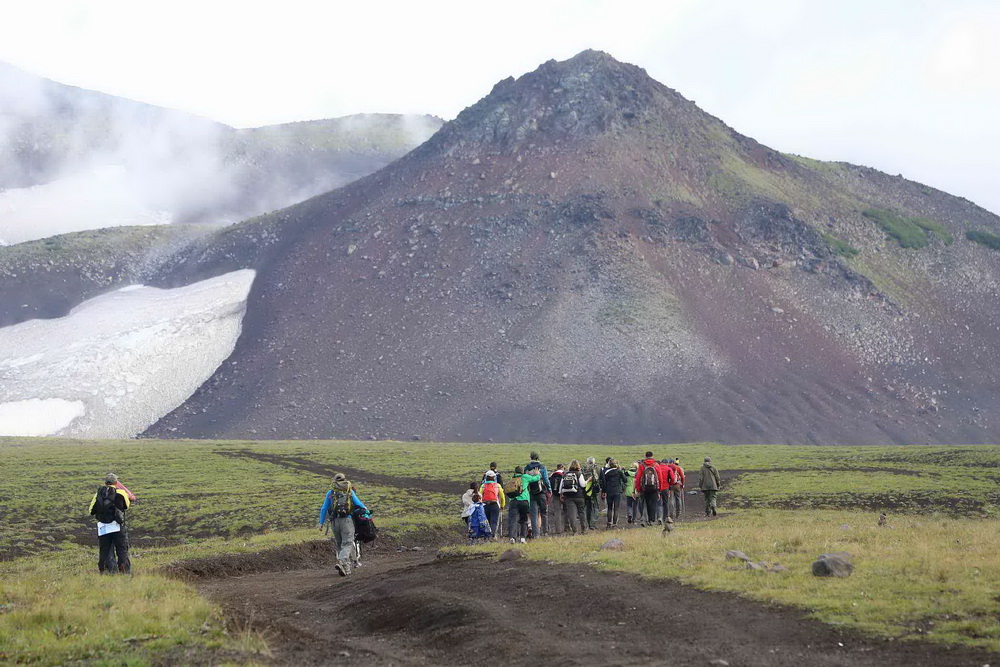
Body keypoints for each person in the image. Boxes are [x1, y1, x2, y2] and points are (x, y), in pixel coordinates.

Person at [319, 472, 368, 576]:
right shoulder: (349, 490)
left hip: (334, 522)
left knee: (340, 543)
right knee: (348, 543)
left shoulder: (331, 492)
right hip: (347, 520)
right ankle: (341, 561)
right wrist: (366, 512)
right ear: (344, 479)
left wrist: (321, 523)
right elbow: (358, 503)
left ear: (334, 481)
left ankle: (346, 570)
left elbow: (324, 508)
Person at [88, 473, 132, 574]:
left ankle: (107, 572)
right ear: (116, 482)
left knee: (105, 551)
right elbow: (126, 506)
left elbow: (91, 510)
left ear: (105, 483)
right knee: (121, 550)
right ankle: (124, 572)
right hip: (117, 526)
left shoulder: (98, 493)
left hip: (103, 527)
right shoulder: (121, 493)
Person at [506, 465, 541, 543]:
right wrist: (537, 473)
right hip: (524, 501)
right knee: (524, 520)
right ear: (522, 471)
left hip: (513, 501)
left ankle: (512, 537)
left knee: (513, 520)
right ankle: (522, 538)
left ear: (515, 472)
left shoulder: (512, 479)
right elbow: (536, 479)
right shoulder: (525, 477)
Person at [524, 451, 550, 538]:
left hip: (531, 493)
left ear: (530, 457)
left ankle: (536, 534)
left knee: (533, 514)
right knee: (543, 512)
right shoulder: (542, 467)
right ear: (538, 458)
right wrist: (549, 489)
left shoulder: (526, 468)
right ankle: (545, 532)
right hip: (541, 492)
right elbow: (546, 480)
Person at [559, 459, 587, 534]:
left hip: (568, 497)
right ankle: (583, 529)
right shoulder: (579, 474)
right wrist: (588, 481)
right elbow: (583, 485)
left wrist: (561, 495)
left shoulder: (565, 474)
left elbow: (561, 486)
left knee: (572, 514)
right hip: (579, 496)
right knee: (582, 512)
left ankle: (574, 531)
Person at [635, 452, 661, 527]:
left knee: (645, 504)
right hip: (654, 488)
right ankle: (652, 520)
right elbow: (660, 477)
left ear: (645, 456)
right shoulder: (656, 465)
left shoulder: (642, 465)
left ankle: (645, 519)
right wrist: (659, 489)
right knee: (653, 504)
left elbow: (638, 478)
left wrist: (638, 489)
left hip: (644, 488)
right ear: (652, 456)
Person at [479, 470, 506, 537]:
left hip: (485, 505)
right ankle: (493, 534)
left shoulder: (483, 486)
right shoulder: (497, 486)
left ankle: (487, 535)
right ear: (494, 477)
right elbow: (502, 497)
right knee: (494, 521)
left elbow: (479, 496)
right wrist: (502, 505)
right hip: (495, 505)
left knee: (487, 521)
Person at [602, 459, 626, 528]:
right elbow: (625, 480)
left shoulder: (606, 472)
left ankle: (609, 523)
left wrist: (604, 491)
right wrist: (622, 472)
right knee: (616, 508)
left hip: (609, 491)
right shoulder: (619, 472)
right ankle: (614, 524)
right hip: (617, 491)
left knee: (609, 508)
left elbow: (604, 482)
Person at [583, 457, 601, 530]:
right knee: (596, 507)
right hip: (595, 490)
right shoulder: (598, 469)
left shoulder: (584, 469)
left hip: (586, 491)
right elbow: (601, 479)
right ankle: (592, 524)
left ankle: (587, 524)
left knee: (587, 508)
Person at [548, 463, 566, 534]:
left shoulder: (552, 475)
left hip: (555, 495)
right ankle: (567, 527)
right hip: (565, 494)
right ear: (563, 468)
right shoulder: (564, 474)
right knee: (566, 510)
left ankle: (558, 529)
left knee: (557, 511)